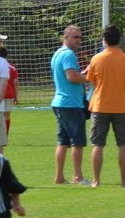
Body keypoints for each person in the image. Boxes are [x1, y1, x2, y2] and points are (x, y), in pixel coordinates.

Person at [84, 24, 125, 187]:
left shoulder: (96, 59)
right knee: (123, 144)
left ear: (104, 40)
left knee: (98, 144)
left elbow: (92, 81)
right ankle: (123, 181)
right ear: (119, 39)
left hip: (100, 106)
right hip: (122, 106)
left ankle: (96, 180)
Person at [50, 26, 89, 185]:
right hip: (70, 103)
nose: (78, 40)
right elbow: (72, 77)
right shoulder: (69, 54)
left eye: (80, 37)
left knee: (63, 141)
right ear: (65, 37)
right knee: (77, 142)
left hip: (60, 102)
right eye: (75, 37)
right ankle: (78, 177)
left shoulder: (58, 53)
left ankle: (59, 177)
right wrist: (90, 77)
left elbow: (71, 75)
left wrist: (85, 72)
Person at [0, 47, 19, 140]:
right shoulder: (12, 68)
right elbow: (15, 83)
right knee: (7, 116)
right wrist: (16, 97)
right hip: (9, 94)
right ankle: (5, 136)